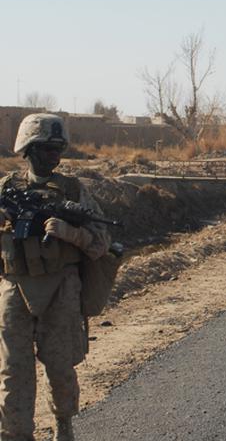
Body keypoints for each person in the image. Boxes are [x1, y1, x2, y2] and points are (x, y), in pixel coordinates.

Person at [0, 114, 111, 441]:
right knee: (12, 374)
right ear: (28, 149)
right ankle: (15, 434)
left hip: (61, 288)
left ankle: (63, 424)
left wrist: (70, 233)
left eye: (58, 148)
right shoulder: (6, 189)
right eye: (48, 148)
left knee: (60, 369)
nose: (54, 155)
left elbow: (102, 241)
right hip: (15, 288)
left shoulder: (74, 191)